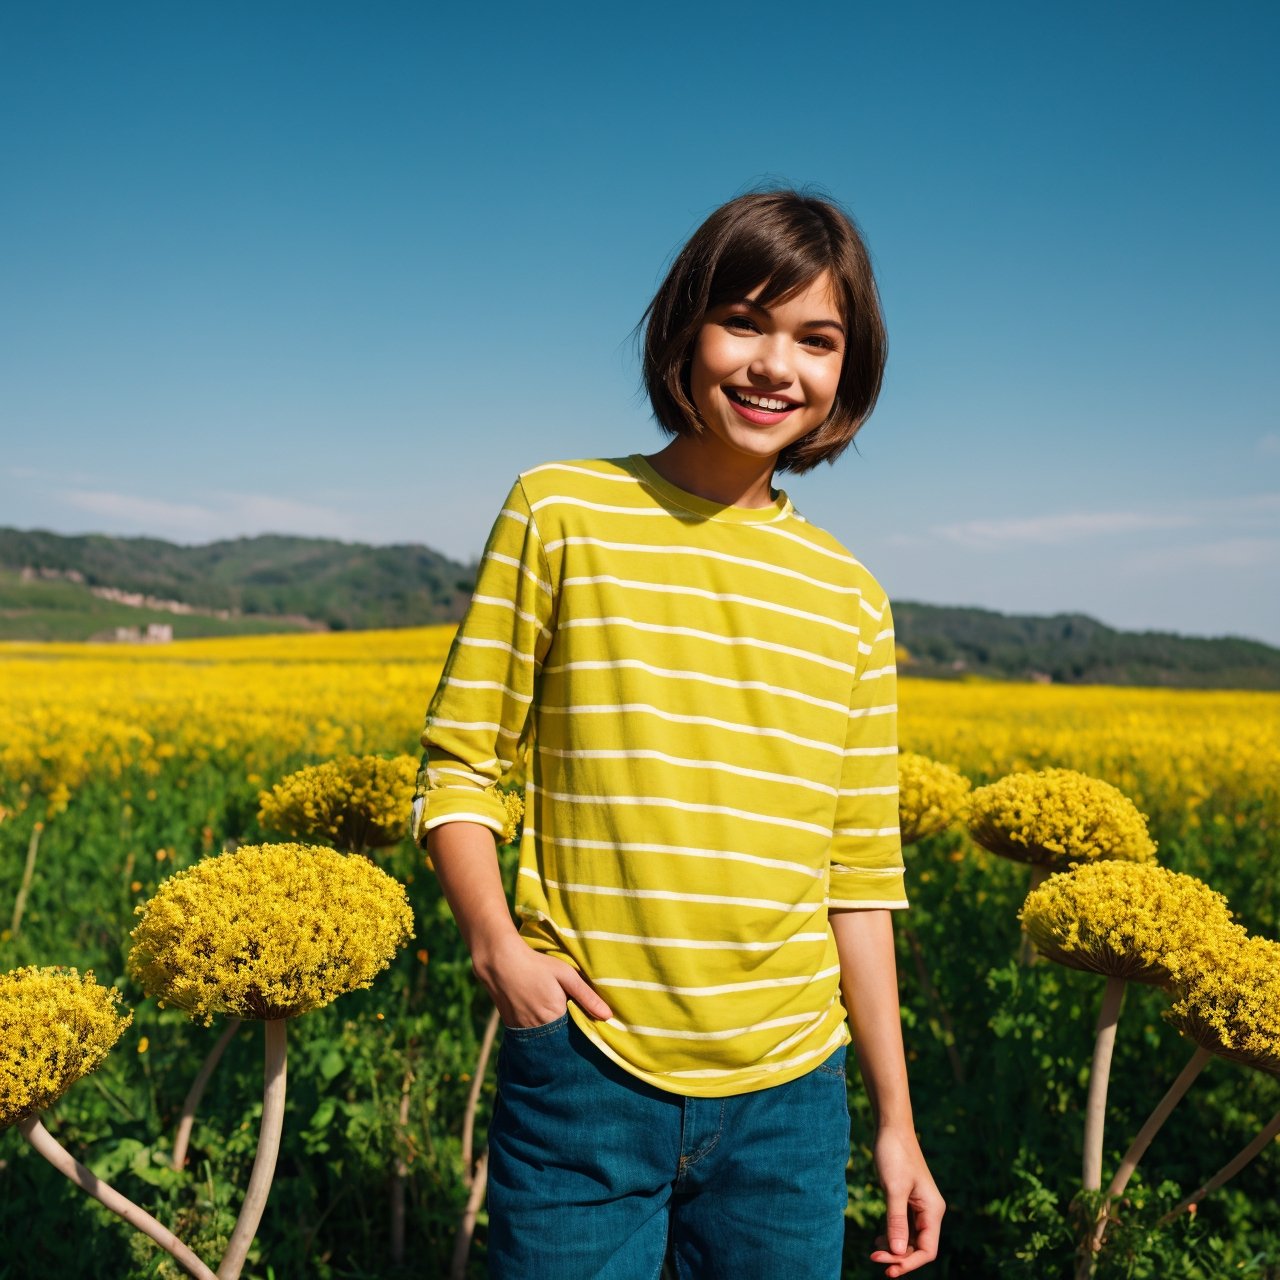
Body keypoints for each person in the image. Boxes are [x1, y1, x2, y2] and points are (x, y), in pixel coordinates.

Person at [412, 188, 944, 1279]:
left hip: (790, 1098)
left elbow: (855, 871)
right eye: (742, 320)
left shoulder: (849, 594)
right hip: (584, 1071)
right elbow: (462, 764)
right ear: (683, 326)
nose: (773, 367)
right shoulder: (559, 512)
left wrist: (895, 1120)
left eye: (815, 339)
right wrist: (496, 948)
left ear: (849, 370)